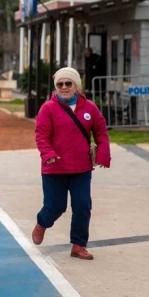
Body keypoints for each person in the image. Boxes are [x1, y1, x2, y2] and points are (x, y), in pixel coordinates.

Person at [32, 67, 111, 260]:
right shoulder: (48, 108)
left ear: (76, 86)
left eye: (68, 83)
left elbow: (101, 132)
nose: (64, 87)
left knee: (83, 206)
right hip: (54, 167)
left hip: (81, 168)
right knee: (55, 207)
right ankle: (42, 223)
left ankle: (78, 245)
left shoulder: (90, 108)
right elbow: (41, 135)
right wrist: (48, 153)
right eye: (60, 84)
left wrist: (103, 155)